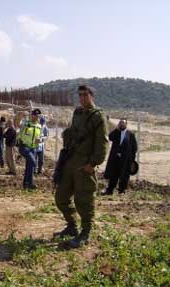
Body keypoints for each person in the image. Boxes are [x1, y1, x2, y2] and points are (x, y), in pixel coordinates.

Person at [54, 85, 108, 248]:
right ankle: (72, 226)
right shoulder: (77, 113)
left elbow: (102, 143)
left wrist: (93, 164)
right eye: (80, 95)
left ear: (92, 96)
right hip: (70, 161)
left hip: (85, 164)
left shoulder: (98, 116)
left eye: (85, 95)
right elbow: (72, 133)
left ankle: (85, 233)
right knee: (61, 197)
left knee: (84, 199)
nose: (82, 98)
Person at [102, 118, 137, 195]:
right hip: (115, 158)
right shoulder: (116, 132)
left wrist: (132, 160)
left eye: (123, 123)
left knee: (124, 175)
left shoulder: (130, 135)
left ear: (126, 124)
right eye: (120, 123)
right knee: (113, 174)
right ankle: (110, 190)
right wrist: (116, 129)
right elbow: (110, 137)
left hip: (125, 159)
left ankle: (122, 190)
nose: (121, 124)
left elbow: (134, 148)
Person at [18, 108, 42, 190]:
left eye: (38, 116)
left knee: (30, 166)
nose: (36, 117)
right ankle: (30, 182)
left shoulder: (39, 126)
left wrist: (40, 140)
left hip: (33, 148)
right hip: (24, 146)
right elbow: (17, 123)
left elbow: (40, 137)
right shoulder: (25, 123)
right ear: (31, 115)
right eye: (35, 115)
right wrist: (20, 115)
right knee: (33, 162)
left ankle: (26, 184)